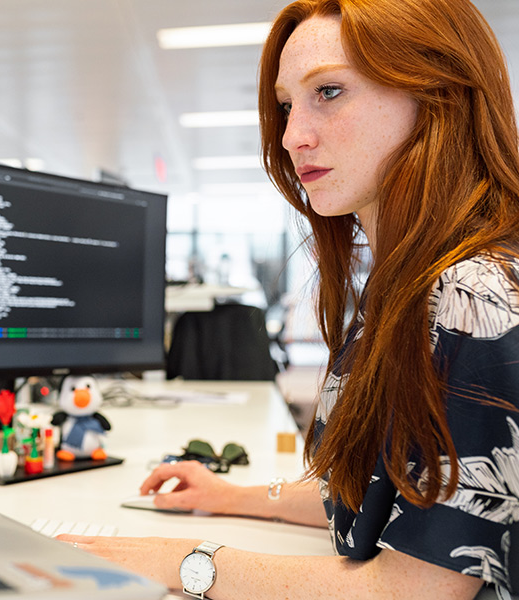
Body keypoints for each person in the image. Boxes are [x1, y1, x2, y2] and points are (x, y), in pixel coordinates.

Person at [59, 0, 519, 597]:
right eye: (285, 104)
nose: (292, 135)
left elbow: (414, 588)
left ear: (438, 96)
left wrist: (183, 562)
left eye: (328, 91)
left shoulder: (473, 293)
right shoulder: (407, 284)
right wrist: (235, 498)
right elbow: (391, 494)